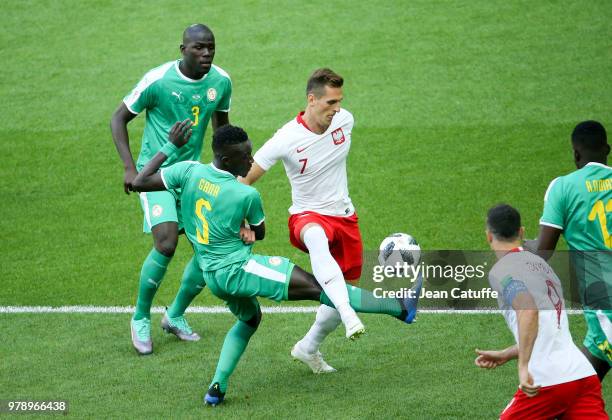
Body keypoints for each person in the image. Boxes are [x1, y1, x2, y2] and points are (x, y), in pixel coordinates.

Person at [131, 120, 422, 405]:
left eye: (251, 152)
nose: (251, 160)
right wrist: (245, 231)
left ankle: (216, 387)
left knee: (250, 319)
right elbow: (259, 232)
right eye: (244, 156)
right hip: (238, 270)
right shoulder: (246, 194)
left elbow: (140, 181)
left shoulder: (188, 171)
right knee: (318, 286)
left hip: (212, 276)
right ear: (225, 158)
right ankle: (399, 308)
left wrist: (170, 145)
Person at [110, 24, 232, 355]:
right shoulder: (159, 80)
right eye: (199, 48)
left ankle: (174, 316)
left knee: (211, 246)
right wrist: (128, 167)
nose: (206, 53)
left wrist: (226, 175)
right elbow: (118, 118)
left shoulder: (220, 81)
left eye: (211, 47)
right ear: (183, 49)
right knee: (165, 243)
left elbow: (223, 132)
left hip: (191, 175)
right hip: (156, 174)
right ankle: (139, 317)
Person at [241, 68, 365, 373]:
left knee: (345, 287)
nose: (336, 109)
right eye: (330, 103)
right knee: (316, 238)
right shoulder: (286, 139)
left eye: (339, 101)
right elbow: (243, 181)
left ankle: (308, 348)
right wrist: (242, 220)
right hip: (306, 216)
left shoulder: (345, 121)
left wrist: (338, 111)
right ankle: (350, 316)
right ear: (312, 100)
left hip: (345, 218)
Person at [476, 204, 607, 419]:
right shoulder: (543, 267)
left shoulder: (503, 269)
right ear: (521, 232)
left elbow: (528, 311)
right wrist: (507, 353)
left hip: (548, 381)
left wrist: (523, 365)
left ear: (489, 236)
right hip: (582, 375)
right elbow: (548, 329)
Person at [524, 120, 611, 381]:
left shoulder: (562, 187)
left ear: (575, 153)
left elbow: (543, 252)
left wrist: (519, 243)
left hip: (605, 305)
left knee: (572, 388)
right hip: (601, 318)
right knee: (578, 387)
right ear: (607, 149)